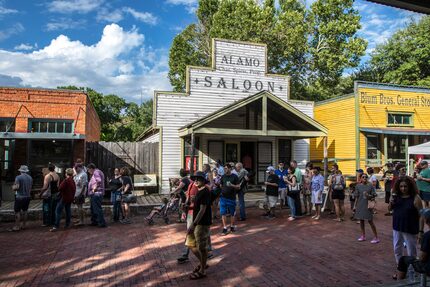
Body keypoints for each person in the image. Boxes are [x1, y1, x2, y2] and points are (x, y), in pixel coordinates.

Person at [389, 176, 424, 280]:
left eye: (405, 186)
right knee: (397, 249)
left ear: (410, 186)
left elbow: (421, 215)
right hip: (397, 227)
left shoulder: (415, 198)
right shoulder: (396, 196)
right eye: (401, 186)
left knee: (411, 251)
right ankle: (401, 269)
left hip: (410, 228)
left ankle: (412, 271)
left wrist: (421, 231)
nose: (403, 188)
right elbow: (390, 209)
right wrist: (391, 201)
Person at [185, 171, 212, 280]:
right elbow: (197, 207)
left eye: (199, 179)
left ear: (203, 180)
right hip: (195, 221)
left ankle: (202, 271)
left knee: (202, 247)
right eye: (195, 178)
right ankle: (203, 263)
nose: (196, 180)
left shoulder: (205, 191)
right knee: (190, 244)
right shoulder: (199, 191)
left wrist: (194, 224)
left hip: (201, 223)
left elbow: (203, 209)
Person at [396, 208, 430, 281]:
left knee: (402, 260)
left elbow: (422, 258)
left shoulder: (427, 236)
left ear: (427, 221)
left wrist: (418, 257)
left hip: (428, 267)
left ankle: (399, 282)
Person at [354, 173, 379, 243]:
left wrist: (369, 195)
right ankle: (363, 236)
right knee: (361, 220)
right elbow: (356, 196)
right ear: (361, 178)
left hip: (368, 205)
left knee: (370, 221)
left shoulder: (370, 186)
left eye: (366, 177)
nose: (364, 178)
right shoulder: (358, 186)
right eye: (363, 177)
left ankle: (376, 237)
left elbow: (374, 195)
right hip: (360, 204)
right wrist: (354, 205)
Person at [10, 165, 32, 231]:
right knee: (25, 211)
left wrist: (13, 187)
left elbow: (16, 187)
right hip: (27, 196)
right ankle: (24, 225)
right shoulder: (30, 178)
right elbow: (30, 188)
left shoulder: (18, 177)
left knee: (17, 212)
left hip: (20, 197)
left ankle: (17, 226)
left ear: (20, 171)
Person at [219, 163, 240, 235]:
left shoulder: (235, 176)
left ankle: (232, 226)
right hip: (223, 197)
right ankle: (225, 228)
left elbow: (238, 186)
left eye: (226, 168)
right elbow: (221, 185)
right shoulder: (223, 176)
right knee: (223, 213)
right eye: (224, 168)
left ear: (230, 169)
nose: (225, 170)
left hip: (231, 198)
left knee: (232, 213)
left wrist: (232, 185)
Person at [87, 163, 107, 228]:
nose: (88, 171)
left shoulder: (96, 172)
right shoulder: (97, 172)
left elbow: (98, 181)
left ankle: (101, 223)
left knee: (97, 209)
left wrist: (94, 189)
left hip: (97, 193)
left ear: (91, 168)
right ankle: (94, 221)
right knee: (93, 208)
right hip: (96, 193)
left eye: (88, 170)